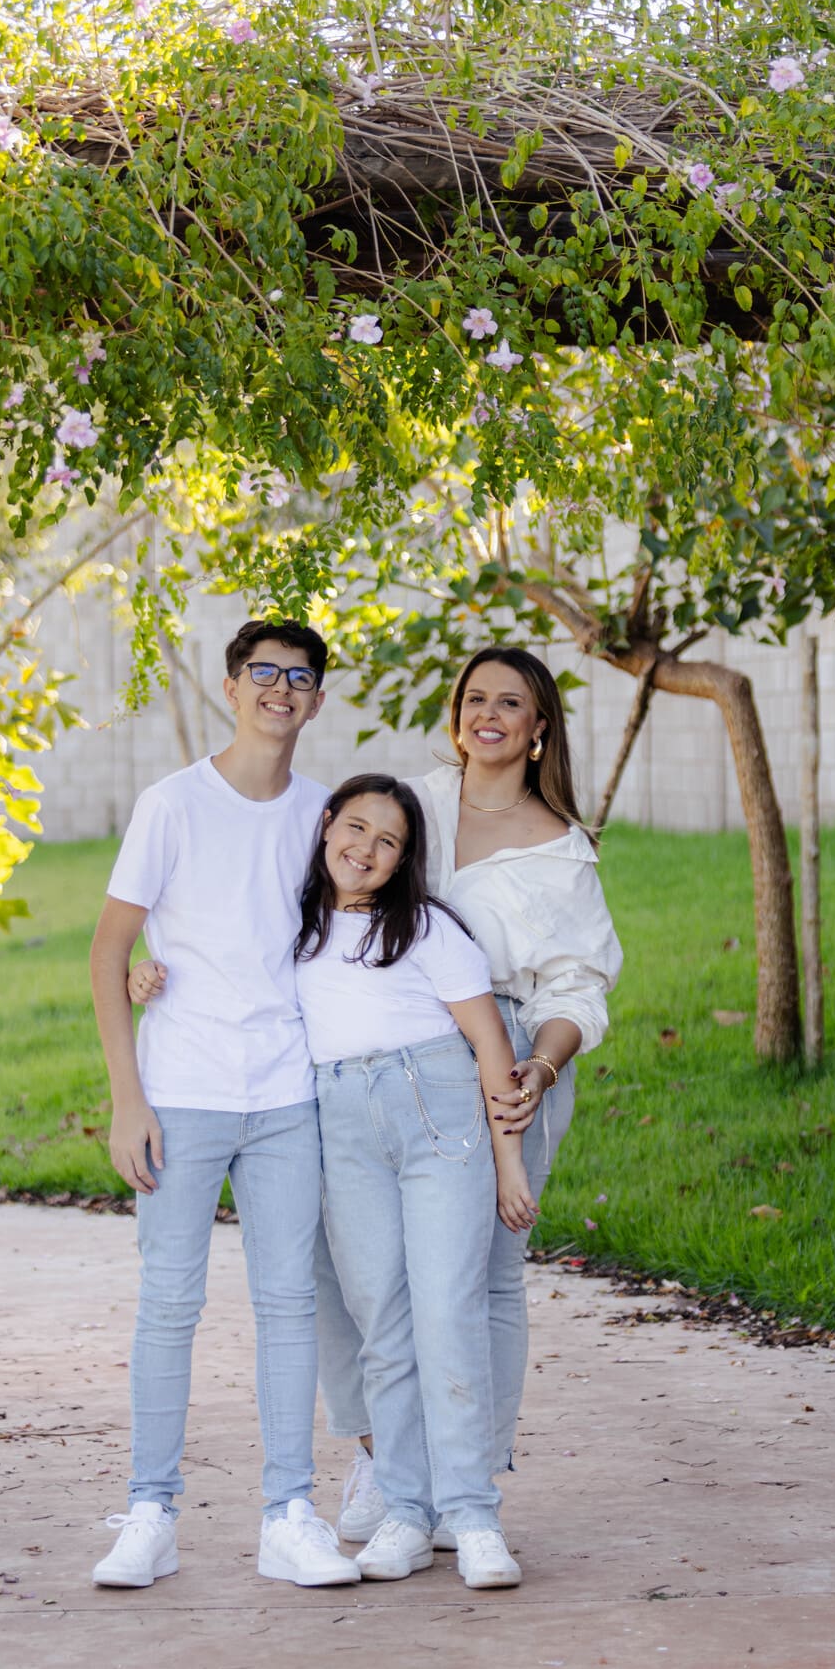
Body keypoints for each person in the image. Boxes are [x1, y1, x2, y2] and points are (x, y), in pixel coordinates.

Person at [322, 647, 623, 1546]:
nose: (490, 713)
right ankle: (384, 1456)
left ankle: (467, 1482)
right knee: (356, 1273)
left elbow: (579, 987)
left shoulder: (563, 851)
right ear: (457, 714)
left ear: (538, 732)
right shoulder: (411, 805)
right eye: (477, 698)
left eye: (513, 703)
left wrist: (542, 1067)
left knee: (481, 1279)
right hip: (380, 1055)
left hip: (509, 1054)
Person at [87, 619, 361, 1590]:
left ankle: (291, 1515)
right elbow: (110, 951)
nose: (279, 691)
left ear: (317, 701)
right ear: (230, 687)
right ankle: (149, 1514)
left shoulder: (330, 817)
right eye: (263, 674)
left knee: (290, 1305)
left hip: (289, 1094)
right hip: (184, 1094)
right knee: (169, 1304)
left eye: (298, 678)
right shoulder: (172, 806)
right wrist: (129, 1100)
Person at [296, 773, 533, 1589]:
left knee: (445, 1309)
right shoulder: (293, 929)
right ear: (326, 827)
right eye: (354, 829)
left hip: (437, 1117)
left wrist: (508, 1162)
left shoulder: (427, 929)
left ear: (404, 861)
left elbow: (491, 1043)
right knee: (382, 1323)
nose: (364, 850)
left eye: (386, 842)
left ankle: (472, 1517)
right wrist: (145, 976)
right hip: (344, 1126)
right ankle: (405, 1509)